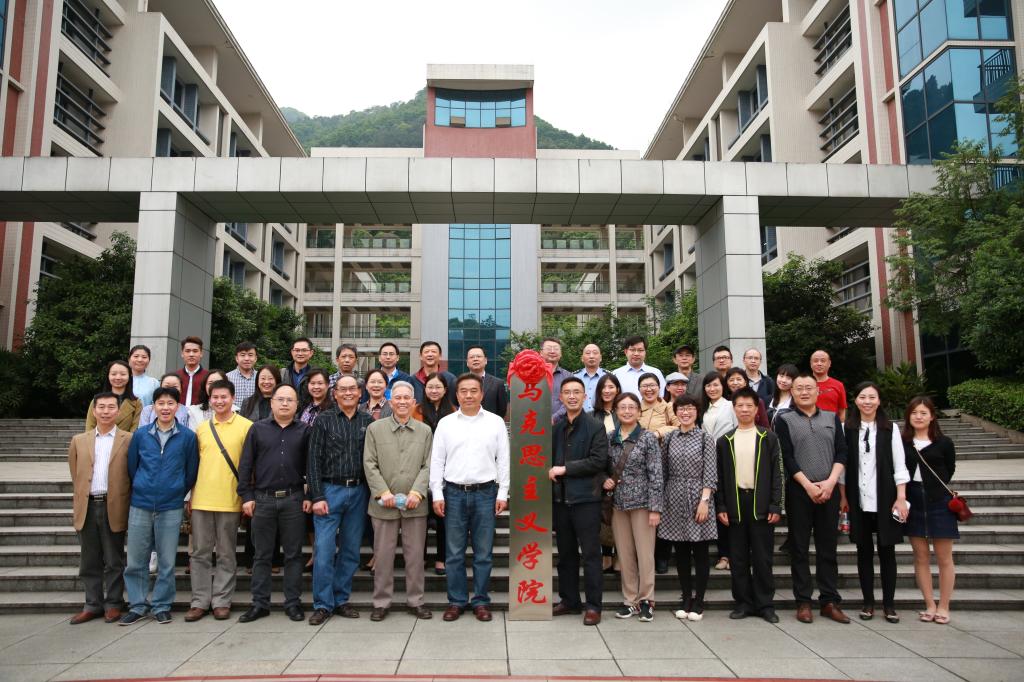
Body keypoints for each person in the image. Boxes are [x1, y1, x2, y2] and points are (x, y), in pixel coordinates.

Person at [430, 374, 510, 623]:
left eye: (473, 390)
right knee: (454, 553)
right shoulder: (446, 423)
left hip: (485, 493)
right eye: (463, 391)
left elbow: (503, 460)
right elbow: (437, 461)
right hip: (453, 493)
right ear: (456, 394)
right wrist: (437, 493)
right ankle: (456, 601)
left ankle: (481, 601)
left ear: (482, 394)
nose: (468, 395)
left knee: (483, 553)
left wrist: (503, 492)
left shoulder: (495, 422)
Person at [120, 387, 199, 625]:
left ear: (178, 407)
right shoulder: (141, 435)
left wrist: (176, 489)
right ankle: (137, 604)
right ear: (153, 407)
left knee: (166, 560)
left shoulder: (187, 437)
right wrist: (142, 486)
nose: (165, 408)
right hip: (141, 503)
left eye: (170, 403)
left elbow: (191, 471)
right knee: (136, 559)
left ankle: (162, 605)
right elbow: (132, 467)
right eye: (161, 403)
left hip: (171, 504)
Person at [775, 372, 849, 624]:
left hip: (828, 489)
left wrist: (830, 483)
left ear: (818, 391)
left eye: (809, 388)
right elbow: (786, 456)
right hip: (799, 491)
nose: (804, 392)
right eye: (799, 388)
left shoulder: (831, 418)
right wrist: (808, 485)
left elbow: (842, 452)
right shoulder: (784, 420)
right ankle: (803, 601)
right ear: (792, 393)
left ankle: (829, 600)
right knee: (799, 548)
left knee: (828, 547)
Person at [304, 374, 375, 625]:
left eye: (352, 389)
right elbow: (313, 460)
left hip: (359, 492)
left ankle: (341, 599)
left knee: (351, 551)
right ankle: (323, 604)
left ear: (360, 392)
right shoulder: (323, 420)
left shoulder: (368, 421)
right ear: (334, 394)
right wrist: (316, 496)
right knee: (324, 551)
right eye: (342, 389)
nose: (347, 393)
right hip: (329, 491)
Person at [237, 384, 309, 623]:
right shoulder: (257, 429)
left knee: (293, 555)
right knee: (262, 555)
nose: (285, 404)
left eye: (290, 400)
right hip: (263, 499)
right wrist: (246, 496)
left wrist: (310, 496)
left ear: (297, 405)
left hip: (294, 499)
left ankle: (293, 602)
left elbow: (312, 466)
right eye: (280, 399)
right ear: (272, 403)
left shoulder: (304, 431)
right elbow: (246, 464)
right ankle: (260, 603)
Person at [839, 381, 910, 624]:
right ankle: (868, 602)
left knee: (887, 552)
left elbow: (900, 464)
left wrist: (901, 497)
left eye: (872, 397)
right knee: (863, 552)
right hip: (858, 498)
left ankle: (889, 604)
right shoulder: (847, 428)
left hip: (886, 498)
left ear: (879, 401)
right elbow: (842, 466)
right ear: (855, 400)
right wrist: (843, 496)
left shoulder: (890, 429)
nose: (867, 401)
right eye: (862, 397)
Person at [363, 381, 434, 621]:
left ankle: (416, 600)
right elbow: (369, 463)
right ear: (390, 402)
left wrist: (417, 492)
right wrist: (382, 492)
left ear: (414, 403)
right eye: (398, 398)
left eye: (407, 398)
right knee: (383, 556)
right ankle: (381, 602)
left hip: (415, 505)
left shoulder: (424, 431)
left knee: (415, 557)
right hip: (384, 505)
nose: (402, 402)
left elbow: (428, 465)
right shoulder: (375, 429)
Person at [185, 380, 253, 622]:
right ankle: (199, 601)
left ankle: (222, 600)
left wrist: (247, 497)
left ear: (233, 398)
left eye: (224, 397)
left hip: (230, 499)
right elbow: (193, 465)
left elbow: (249, 466)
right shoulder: (202, 429)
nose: (219, 401)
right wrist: (190, 496)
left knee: (226, 553)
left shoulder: (247, 427)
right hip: (202, 499)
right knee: (199, 553)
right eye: (215, 397)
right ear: (210, 399)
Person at [716, 388, 783, 623]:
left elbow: (778, 474)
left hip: (761, 503)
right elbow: (719, 477)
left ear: (756, 409)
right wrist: (721, 506)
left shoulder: (768, 437)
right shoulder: (725, 441)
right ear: (734, 409)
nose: (744, 410)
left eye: (749, 406)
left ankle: (765, 604)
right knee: (738, 557)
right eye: (740, 406)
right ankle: (743, 603)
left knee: (763, 558)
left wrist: (776, 505)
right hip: (735, 504)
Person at [68, 392, 132, 624]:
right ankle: (92, 604)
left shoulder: (129, 439)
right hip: (87, 505)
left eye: (111, 407)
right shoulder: (79, 440)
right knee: (89, 559)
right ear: (94, 411)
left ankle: (114, 603)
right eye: (101, 407)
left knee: (114, 558)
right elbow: (75, 473)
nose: (106, 411)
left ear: (118, 411)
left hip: (113, 505)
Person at [550, 377, 608, 626]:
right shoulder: (556, 428)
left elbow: (598, 461)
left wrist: (565, 469)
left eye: (577, 392)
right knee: (565, 555)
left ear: (585, 397)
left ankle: (593, 606)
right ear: (560, 397)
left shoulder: (595, 426)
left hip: (586, 500)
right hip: (560, 500)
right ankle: (569, 600)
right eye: (567, 392)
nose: (572, 396)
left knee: (591, 555)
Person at [605, 392, 663, 622]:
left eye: (631, 407)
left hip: (643, 504)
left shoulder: (648, 438)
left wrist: (655, 508)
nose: (627, 411)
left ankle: (646, 599)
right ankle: (630, 600)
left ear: (639, 412)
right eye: (622, 407)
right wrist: (604, 480)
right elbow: (603, 466)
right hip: (618, 504)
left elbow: (656, 474)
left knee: (645, 554)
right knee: (625, 554)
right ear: (616, 411)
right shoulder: (610, 437)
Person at [659, 394, 717, 622]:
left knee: (700, 552)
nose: (685, 412)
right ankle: (686, 597)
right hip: (673, 497)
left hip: (698, 497)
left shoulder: (705, 438)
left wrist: (705, 501)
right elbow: (663, 470)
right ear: (675, 412)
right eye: (681, 409)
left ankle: (699, 600)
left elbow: (710, 471)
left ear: (697, 411)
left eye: (690, 408)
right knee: (681, 552)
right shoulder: (670, 438)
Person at [903, 396, 958, 625]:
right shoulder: (903, 442)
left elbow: (949, 469)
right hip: (913, 498)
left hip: (939, 500)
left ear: (932, 416)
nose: (918, 417)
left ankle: (944, 605)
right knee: (921, 556)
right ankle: (929, 604)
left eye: (923, 413)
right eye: (914, 413)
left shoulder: (944, 443)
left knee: (944, 557)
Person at [412, 372, 456, 575]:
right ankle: (420, 557)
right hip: (419, 468)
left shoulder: (453, 412)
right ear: (425, 389)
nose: (434, 390)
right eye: (430, 387)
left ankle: (441, 558)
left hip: (446, 471)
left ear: (445, 390)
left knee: (443, 517)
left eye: (438, 387)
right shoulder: (416, 411)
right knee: (419, 518)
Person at [702, 371, 737, 572]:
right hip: (707, 462)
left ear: (723, 386)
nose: (712, 388)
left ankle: (732, 555)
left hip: (728, 460)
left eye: (716, 384)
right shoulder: (702, 408)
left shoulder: (731, 406)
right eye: (708, 385)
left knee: (728, 507)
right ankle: (723, 554)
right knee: (716, 507)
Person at [589, 373, 621, 572]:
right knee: (605, 516)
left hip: (623, 473)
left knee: (621, 517)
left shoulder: (626, 411)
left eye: (611, 387)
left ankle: (620, 555)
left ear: (618, 390)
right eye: (604, 387)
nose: (607, 391)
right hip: (600, 474)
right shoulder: (591, 416)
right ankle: (606, 554)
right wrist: (602, 477)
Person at [85, 360, 142, 433]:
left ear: (130, 376)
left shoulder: (136, 403)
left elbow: (135, 430)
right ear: (108, 376)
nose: (118, 377)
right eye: (113, 374)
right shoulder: (96, 401)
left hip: (125, 440)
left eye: (123, 374)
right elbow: (90, 428)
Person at [465, 345, 508, 418]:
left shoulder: (497, 383)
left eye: (478, 356)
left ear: (485, 360)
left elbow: (502, 409)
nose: (475, 359)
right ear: (467, 362)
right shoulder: (459, 383)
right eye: (471, 357)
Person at [637, 371, 679, 439]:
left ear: (659, 387)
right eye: (644, 386)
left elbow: (680, 427)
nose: (649, 389)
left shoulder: (669, 407)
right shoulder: (635, 409)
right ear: (639, 389)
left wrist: (658, 433)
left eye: (652, 385)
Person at [412, 340, 457, 405]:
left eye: (433, 352)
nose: (430, 354)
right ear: (420, 356)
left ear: (440, 356)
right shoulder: (412, 380)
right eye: (426, 352)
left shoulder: (450, 379)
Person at [541, 337, 573, 423]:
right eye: (548, 348)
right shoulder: (532, 375)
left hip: (562, 424)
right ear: (541, 353)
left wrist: (554, 418)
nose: (552, 351)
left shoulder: (568, 376)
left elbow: (571, 400)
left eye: (556, 349)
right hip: (535, 424)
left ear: (561, 353)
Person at [810, 350, 847, 422]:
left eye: (823, 361)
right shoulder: (803, 385)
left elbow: (842, 412)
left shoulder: (838, 385)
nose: (819, 364)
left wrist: (840, 426)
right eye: (816, 361)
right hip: (807, 426)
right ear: (811, 363)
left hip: (831, 426)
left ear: (829, 363)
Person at [175, 336, 210, 407]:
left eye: (195, 351)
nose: (191, 354)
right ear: (182, 354)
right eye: (187, 351)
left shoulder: (208, 377)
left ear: (201, 353)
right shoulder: (175, 376)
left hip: (201, 412)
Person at [574, 343, 608, 412]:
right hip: (578, 416)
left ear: (600, 358)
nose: (591, 356)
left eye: (595, 353)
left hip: (602, 416)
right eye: (588, 353)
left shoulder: (609, 377)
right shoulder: (574, 377)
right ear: (582, 358)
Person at [227, 341, 258, 409]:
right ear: (237, 358)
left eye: (250, 355)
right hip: (233, 415)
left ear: (255, 358)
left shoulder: (261, 378)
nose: (247, 359)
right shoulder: (227, 378)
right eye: (243, 355)